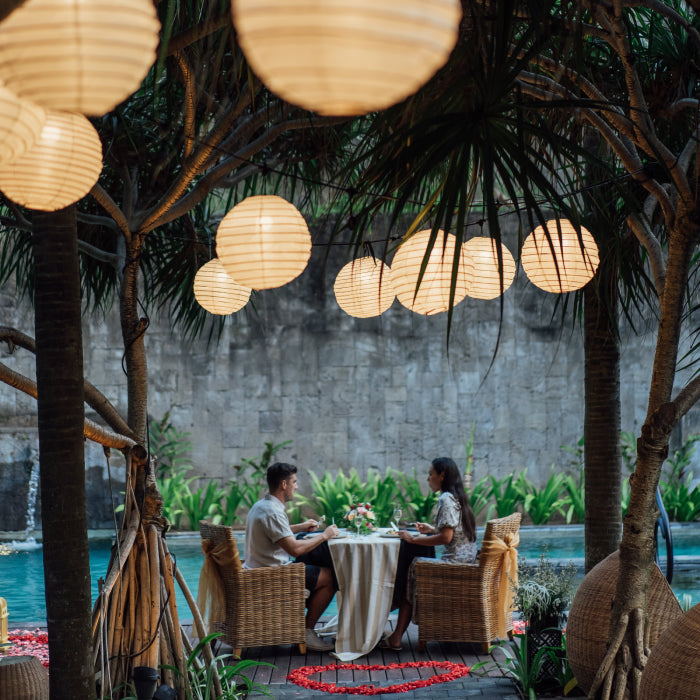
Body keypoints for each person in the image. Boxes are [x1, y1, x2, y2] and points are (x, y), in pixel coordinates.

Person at [380, 457, 477, 650]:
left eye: (430, 474)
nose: (428, 479)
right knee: (413, 567)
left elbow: (446, 538)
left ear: (442, 476)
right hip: (468, 561)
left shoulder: (446, 499)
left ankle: (396, 636)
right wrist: (432, 529)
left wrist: (413, 539)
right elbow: (454, 533)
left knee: (411, 572)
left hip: (456, 566)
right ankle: (397, 633)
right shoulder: (458, 496)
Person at [244, 461, 339, 652]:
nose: (296, 486)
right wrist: (325, 535)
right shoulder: (272, 511)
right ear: (284, 485)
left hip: (258, 569)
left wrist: (300, 527)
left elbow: (275, 533)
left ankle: (297, 628)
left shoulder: (263, 505)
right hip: (271, 576)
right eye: (294, 482)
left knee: (314, 562)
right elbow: (294, 549)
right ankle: (306, 631)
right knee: (330, 577)